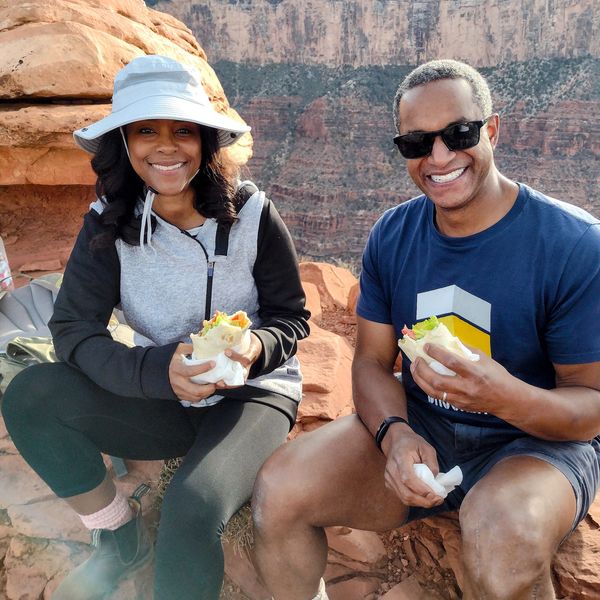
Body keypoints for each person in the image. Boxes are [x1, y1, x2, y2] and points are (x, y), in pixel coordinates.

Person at [250, 59, 600, 600]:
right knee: (279, 492)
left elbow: (591, 408)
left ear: (492, 130)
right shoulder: (392, 234)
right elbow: (370, 361)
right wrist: (396, 436)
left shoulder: (573, 245)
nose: (438, 157)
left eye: (459, 134)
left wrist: (502, 396)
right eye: (416, 143)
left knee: (503, 542)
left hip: (537, 445)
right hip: (424, 429)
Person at [1, 54, 310, 600]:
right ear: (124, 142)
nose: (166, 147)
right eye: (146, 130)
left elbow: (291, 318)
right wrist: (156, 373)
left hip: (252, 397)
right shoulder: (108, 224)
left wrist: (254, 346)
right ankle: (118, 536)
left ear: (205, 142)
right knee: (30, 396)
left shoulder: (253, 214)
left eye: (183, 131)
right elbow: (73, 329)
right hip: (163, 399)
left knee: (191, 508)